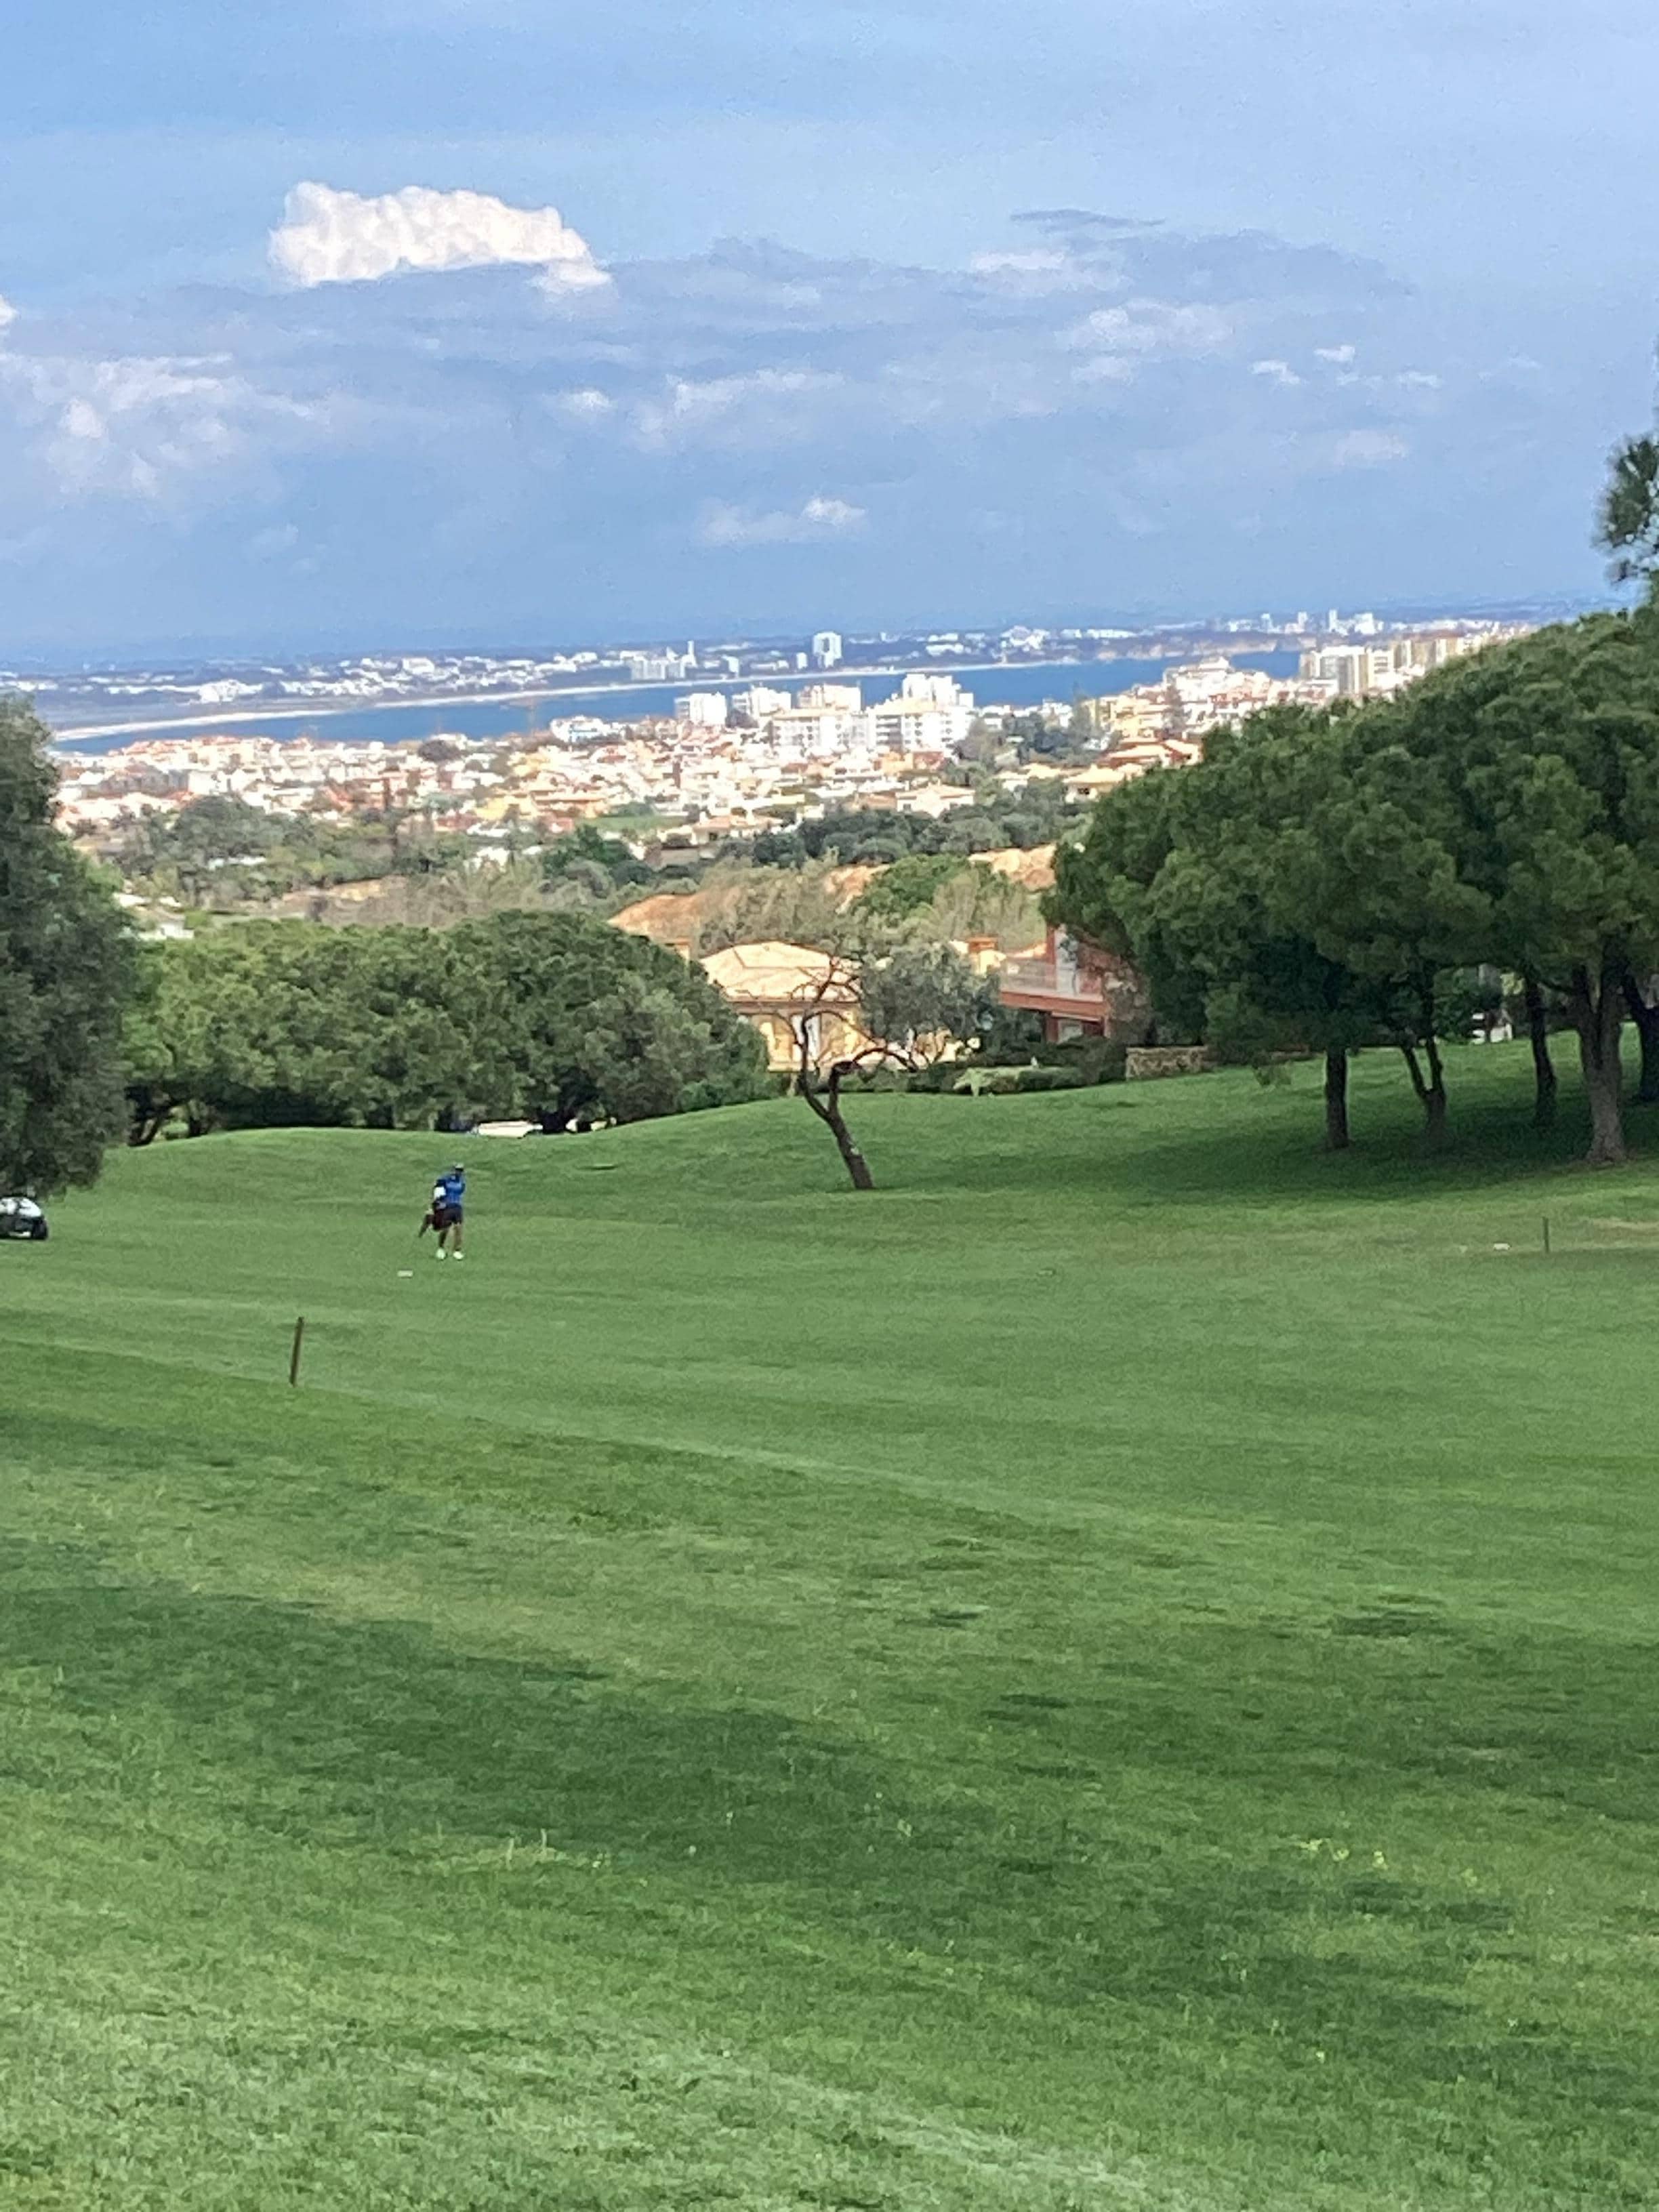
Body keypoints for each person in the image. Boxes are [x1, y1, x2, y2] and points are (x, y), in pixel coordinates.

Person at [434, 1162, 466, 1259]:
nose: (459, 1172)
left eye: (461, 1170)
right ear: (454, 1170)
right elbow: (438, 1190)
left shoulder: (462, 1182)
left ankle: (457, 1251)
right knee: (445, 1229)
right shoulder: (446, 1179)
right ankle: (441, 1249)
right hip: (447, 1206)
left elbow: (461, 1192)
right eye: (457, 1170)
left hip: (457, 1207)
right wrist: (438, 1203)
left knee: (458, 1228)